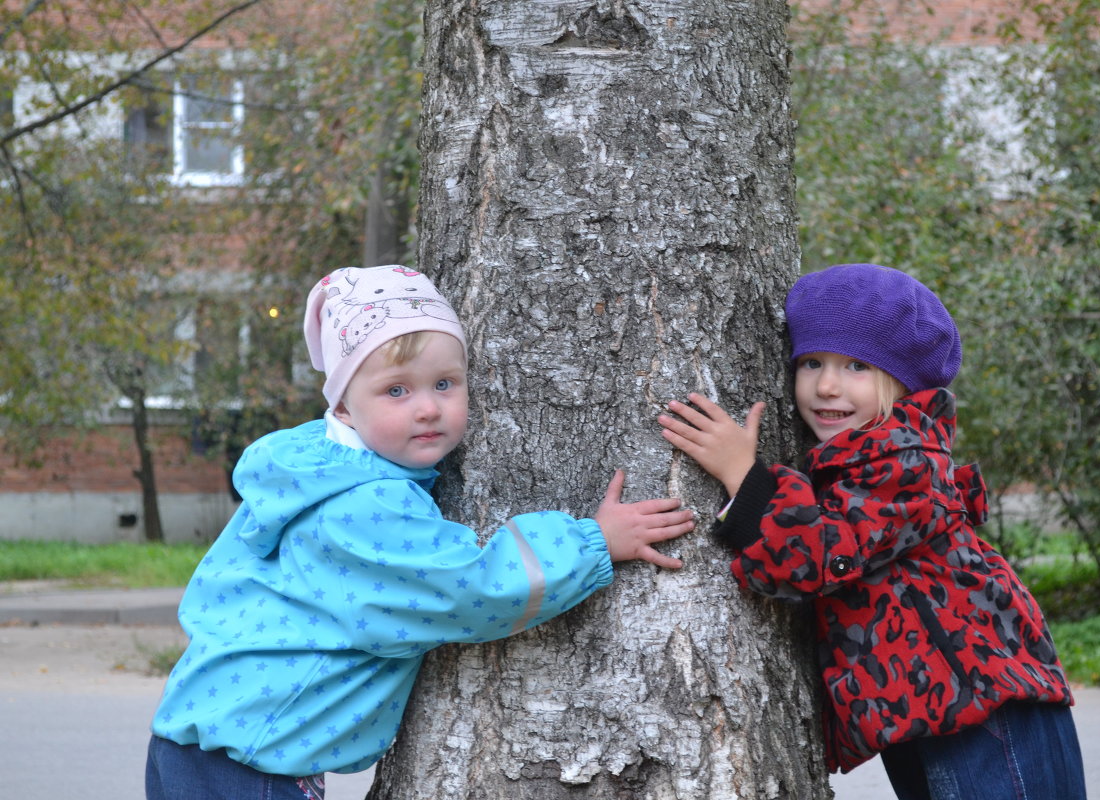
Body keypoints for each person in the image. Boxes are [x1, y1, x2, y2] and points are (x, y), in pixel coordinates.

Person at [145, 265, 695, 800]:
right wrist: (593, 541)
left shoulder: (310, 473)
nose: (428, 408)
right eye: (397, 391)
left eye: (444, 383)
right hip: (249, 766)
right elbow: (469, 590)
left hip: (209, 743)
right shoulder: (365, 507)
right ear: (342, 403)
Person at [657, 263, 1086, 800]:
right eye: (811, 362)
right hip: (928, 713)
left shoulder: (903, 457)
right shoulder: (849, 461)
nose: (827, 385)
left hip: (985, 710)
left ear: (901, 381)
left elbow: (816, 558)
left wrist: (743, 477)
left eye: (856, 365)